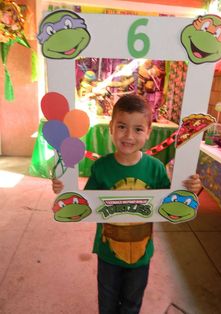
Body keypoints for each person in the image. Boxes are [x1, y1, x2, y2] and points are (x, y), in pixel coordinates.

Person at [52, 94, 202, 314]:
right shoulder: (101, 167)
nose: (129, 136)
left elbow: (171, 204)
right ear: (111, 128)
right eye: (122, 126)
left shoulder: (155, 169)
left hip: (141, 253)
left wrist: (190, 191)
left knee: (132, 304)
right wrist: (63, 191)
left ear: (149, 133)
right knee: (107, 303)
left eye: (138, 129)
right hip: (107, 253)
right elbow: (85, 204)